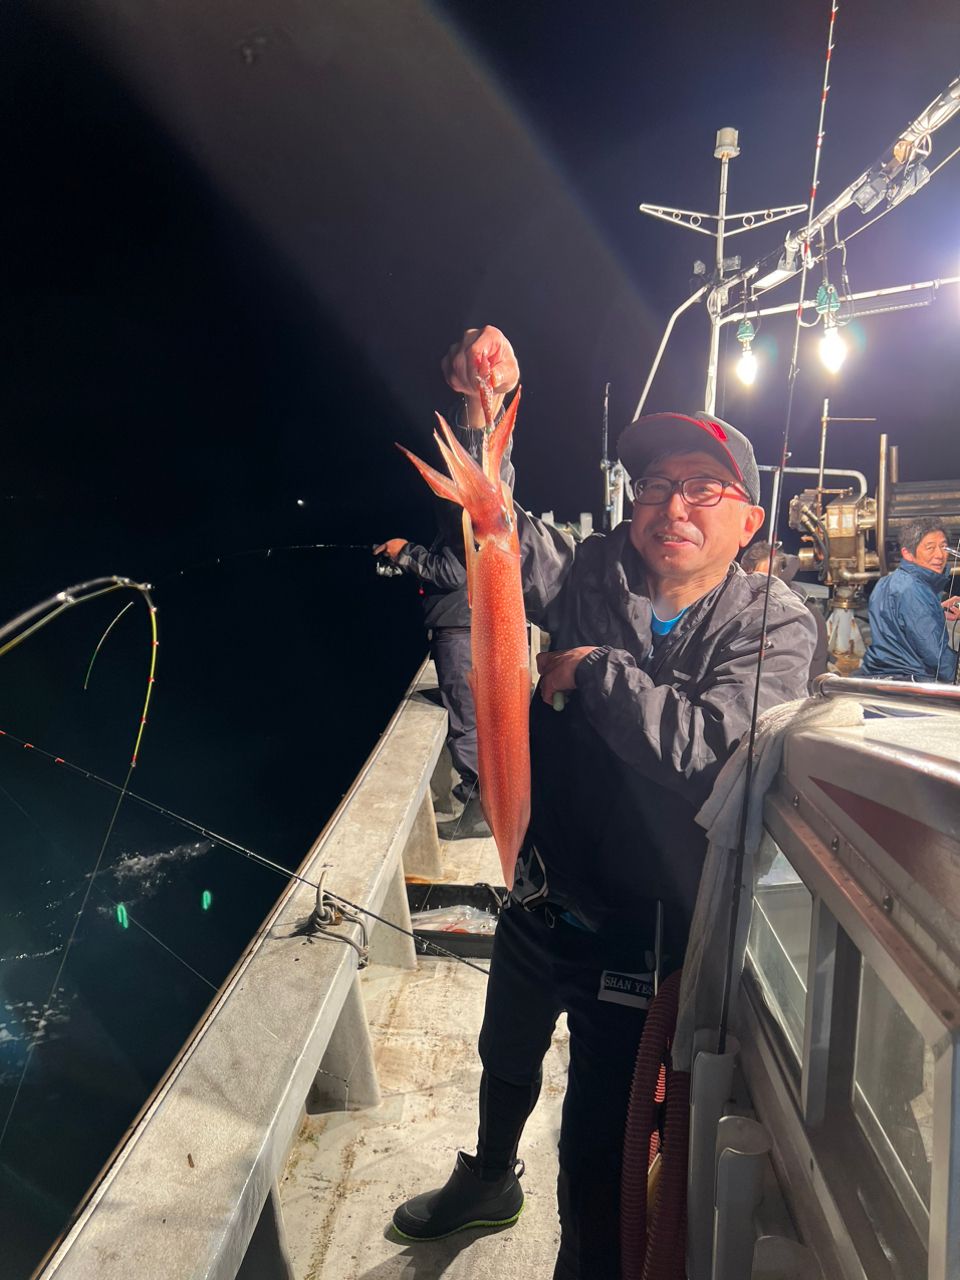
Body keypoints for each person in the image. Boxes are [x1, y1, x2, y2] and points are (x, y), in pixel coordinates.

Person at [391, 326, 817, 1279]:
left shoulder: (773, 624)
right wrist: (485, 404)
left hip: (650, 936)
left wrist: (595, 672)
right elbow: (495, 526)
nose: (673, 505)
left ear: (749, 521)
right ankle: (489, 1177)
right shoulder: (594, 570)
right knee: (503, 1054)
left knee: (598, 1148)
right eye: (657, 485)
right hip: (546, 893)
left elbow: (717, 759)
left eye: (704, 489)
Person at [375, 400, 516, 839]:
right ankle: (489, 801)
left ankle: (481, 807)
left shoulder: (466, 514)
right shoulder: (462, 513)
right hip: (465, 626)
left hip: (460, 629)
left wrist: (405, 553)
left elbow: (454, 570)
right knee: (472, 711)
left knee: (467, 720)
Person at [858, 518, 960, 682]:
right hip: (910, 685)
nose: (940, 555)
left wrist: (935, 611)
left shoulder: (887, 582)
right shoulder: (913, 589)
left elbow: (899, 628)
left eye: (943, 546)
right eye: (930, 548)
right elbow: (935, 655)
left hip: (882, 679)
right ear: (908, 553)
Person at [740, 540, 830, 688]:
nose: (751, 588)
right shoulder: (739, 610)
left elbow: (813, 675)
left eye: (760, 580)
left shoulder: (806, 614)